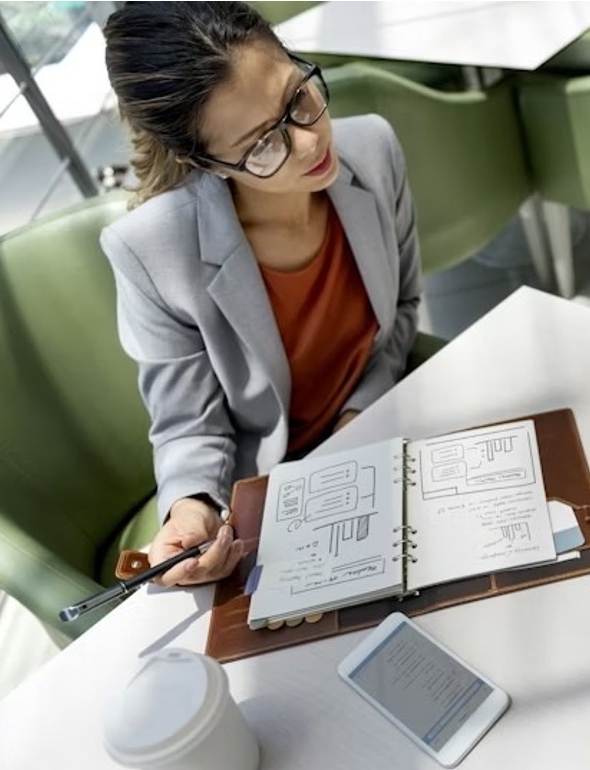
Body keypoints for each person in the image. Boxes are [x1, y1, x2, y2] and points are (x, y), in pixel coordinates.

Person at [101, 2, 422, 587]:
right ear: (204, 162)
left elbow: (401, 311)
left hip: (383, 431)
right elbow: (189, 427)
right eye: (261, 146)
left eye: (298, 97)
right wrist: (191, 509)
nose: (308, 143)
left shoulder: (373, 150)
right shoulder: (152, 251)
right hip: (269, 493)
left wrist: (358, 418)